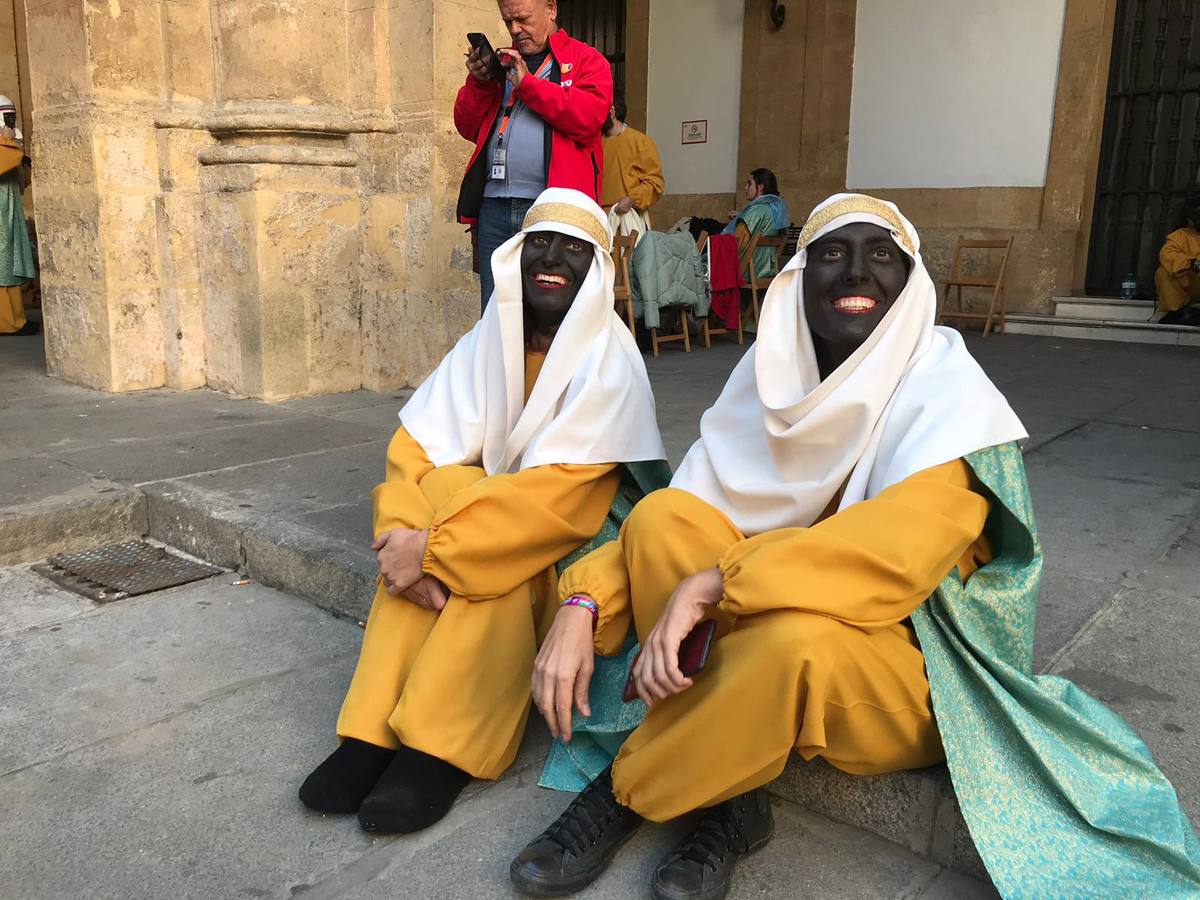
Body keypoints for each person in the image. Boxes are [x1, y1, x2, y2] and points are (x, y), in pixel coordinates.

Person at [510, 193, 1200, 900]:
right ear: (800, 279)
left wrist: (716, 584)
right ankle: (735, 801)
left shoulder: (948, 396)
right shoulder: (770, 377)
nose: (856, 274)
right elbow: (681, 514)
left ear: (909, 284)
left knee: (790, 645)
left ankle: (627, 793)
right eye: (833, 255)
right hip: (766, 611)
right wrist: (583, 600)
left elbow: (893, 557)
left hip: (904, 666)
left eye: (882, 257)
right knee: (662, 520)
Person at [298, 189, 669, 836]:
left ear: (597, 270)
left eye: (575, 249)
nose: (553, 259)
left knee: (494, 545)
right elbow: (414, 446)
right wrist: (403, 535)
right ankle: (372, 732)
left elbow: (560, 499)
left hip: (569, 548)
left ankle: (445, 748)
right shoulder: (487, 338)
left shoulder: (611, 361)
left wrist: (436, 549)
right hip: (482, 524)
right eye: (541, 243)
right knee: (444, 488)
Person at [455, 0, 613, 312]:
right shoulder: (504, 64)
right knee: (496, 312)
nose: (515, 29)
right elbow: (466, 125)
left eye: (523, 19)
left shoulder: (586, 60)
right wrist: (480, 83)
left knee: (551, 314)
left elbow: (589, 118)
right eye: (508, 20)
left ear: (551, 8)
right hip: (495, 208)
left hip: (551, 211)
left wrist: (529, 85)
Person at [600, 92, 663, 243]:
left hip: (626, 220)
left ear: (611, 111)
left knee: (626, 266)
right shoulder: (595, 144)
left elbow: (655, 183)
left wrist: (632, 199)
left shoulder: (640, 141)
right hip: (599, 220)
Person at [0, 95, 36, 337]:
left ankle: (16, 320)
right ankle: (6, 323)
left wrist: (25, 161)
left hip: (9, 211)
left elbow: (22, 180)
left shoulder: (7, 143)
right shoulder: (5, 144)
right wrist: (9, 143)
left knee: (11, 268)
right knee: (2, 268)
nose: (11, 122)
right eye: (7, 117)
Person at [722, 167, 789, 281]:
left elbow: (735, 245)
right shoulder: (778, 209)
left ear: (761, 186)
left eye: (749, 184)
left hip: (748, 271)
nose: (745, 188)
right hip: (766, 269)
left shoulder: (756, 210)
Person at [1155, 196, 1200, 326]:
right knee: (1163, 272)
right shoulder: (1180, 235)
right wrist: (1191, 263)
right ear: (1191, 220)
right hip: (1191, 285)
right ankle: (1177, 312)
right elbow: (1167, 254)